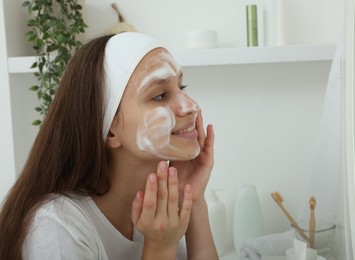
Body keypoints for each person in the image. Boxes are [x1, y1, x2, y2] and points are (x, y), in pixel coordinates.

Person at [0, 32, 217, 260]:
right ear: (110, 129)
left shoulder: (158, 213)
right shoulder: (55, 227)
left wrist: (193, 198)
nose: (191, 106)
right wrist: (160, 248)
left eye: (182, 86)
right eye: (161, 96)